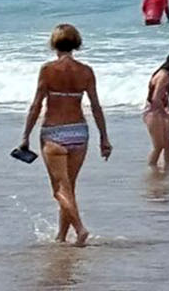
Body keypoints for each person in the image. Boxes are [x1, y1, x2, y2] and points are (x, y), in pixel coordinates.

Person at [19, 24, 111, 247]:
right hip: (79, 131)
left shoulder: (48, 70)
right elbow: (96, 107)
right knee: (69, 187)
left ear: (54, 43)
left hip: (54, 131)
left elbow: (36, 105)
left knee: (59, 189)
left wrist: (25, 136)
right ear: (76, 43)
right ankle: (61, 236)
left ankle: (80, 229)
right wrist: (104, 137)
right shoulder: (86, 71)